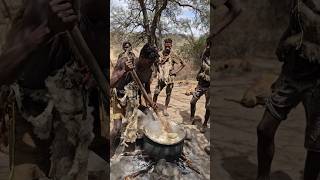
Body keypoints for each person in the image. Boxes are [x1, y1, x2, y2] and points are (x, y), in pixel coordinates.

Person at [0, 0, 108, 179]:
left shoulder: (99, 12)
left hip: (76, 115)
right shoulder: (39, 9)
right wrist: (46, 30)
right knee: (27, 173)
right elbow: (3, 71)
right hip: (33, 114)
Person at [256, 1, 320, 180]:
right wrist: (283, 42)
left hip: (317, 81)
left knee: (316, 144)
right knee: (264, 129)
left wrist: (296, 40)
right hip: (291, 75)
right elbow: (294, 25)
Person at [110, 43, 159, 153]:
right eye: (148, 62)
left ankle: (132, 149)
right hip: (120, 97)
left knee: (149, 116)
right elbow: (111, 83)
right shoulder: (124, 62)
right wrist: (124, 71)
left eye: (151, 63)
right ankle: (109, 152)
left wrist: (151, 102)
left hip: (133, 100)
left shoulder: (149, 70)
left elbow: (147, 90)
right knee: (117, 128)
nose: (149, 66)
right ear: (141, 56)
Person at [152, 38, 185, 116]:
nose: (167, 47)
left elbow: (183, 64)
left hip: (170, 78)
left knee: (168, 94)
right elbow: (155, 63)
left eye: (169, 46)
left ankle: (165, 109)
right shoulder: (160, 54)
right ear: (164, 45)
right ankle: (153, 106)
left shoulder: (173, 55)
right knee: (156, 92)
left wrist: (174, 72)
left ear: (171, 45)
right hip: (161, 77)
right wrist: (157, 71)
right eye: (166, 45)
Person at [190, 38, 211, 133]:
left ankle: (205, 124)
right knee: (192, 101)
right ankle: (191, 117)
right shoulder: (205, 55)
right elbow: (201, 69)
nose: (208, 47)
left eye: (210, 45)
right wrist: (199, 76)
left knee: (209, 106)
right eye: (207, 44)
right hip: (201, 84)